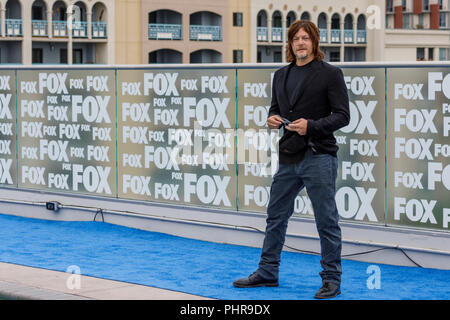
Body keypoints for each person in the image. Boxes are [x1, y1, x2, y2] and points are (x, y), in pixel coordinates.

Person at [233, 20, 350, 299]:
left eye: (305, 38)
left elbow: (343, 116)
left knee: (326, 221)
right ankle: (267, 272)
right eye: (296, 38)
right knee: (275, 216)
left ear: (315, 42)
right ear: (290, 43)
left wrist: (311, 126)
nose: (300, 42)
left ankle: (332, 279)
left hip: (319, 155)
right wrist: (272, 120)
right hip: (288, 155)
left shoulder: (331, 74)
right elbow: (276, 109)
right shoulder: (280, 75)